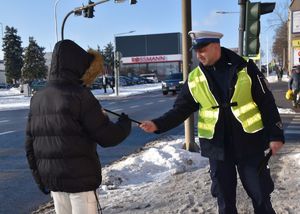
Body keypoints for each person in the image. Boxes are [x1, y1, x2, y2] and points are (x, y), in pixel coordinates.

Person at [139, 31, 284, 214]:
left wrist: (275, 134)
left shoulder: (245, 68)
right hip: (217, 147)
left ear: (216, 47)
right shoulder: (194, 78)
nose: (198, 55)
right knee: (224, 200)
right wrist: (157, 124)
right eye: (196, 51)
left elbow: (267, 103)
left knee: (261, 195)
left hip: (249, 143)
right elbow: (180, 110)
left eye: (203, 49)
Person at [25, 40, 132, 214]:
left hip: (54, 183)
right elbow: (108, 137)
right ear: (77, 66)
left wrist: (40, 179)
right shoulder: (80, 96)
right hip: (81, 183)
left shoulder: (37, 98)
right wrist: (124, 124)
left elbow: (30, 145)